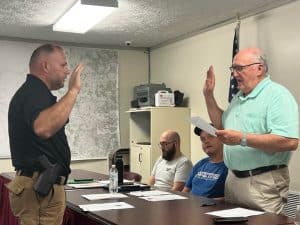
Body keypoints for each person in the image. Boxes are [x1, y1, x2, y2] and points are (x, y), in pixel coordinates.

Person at [203, 47, 299, 214]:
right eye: (233, 69)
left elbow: (289, 141)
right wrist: (208, 96)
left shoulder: (277, 95)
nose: (234, 74)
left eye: (239, 68)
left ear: (259, 68)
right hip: (233, 180)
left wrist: (242, 138)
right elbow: (221, 124)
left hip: (263, 182)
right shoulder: (238, 98)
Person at [6, 43, 84, 225]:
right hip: (39, 187)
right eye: (63, 65)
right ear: (46, 66)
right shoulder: (34, 92)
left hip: (41, 185)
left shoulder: (36, 93)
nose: (67, 71)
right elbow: (43, 128)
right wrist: (73, 90)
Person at [183, 126, 227, 198]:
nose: (206, 141)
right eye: (202, 139)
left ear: (222, 139)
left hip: (212, 207)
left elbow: (232, 198)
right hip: (191, 206)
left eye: (211, 136)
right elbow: (186, 191)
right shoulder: (200, 164)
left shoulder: (231, 166)